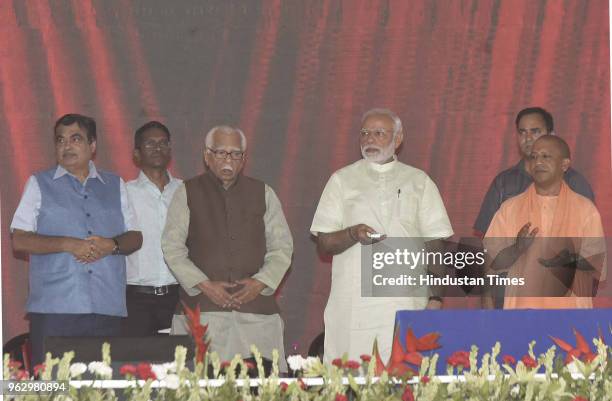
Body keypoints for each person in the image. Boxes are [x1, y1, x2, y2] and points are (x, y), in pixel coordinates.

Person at [310, 108, 453, 363]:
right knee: (352, 379)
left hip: (406, 302)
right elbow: (324, 243)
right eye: (364, 133)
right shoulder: (342, 180)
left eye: (378, 133)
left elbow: (436, 244)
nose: (369, 139)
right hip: (354, 304)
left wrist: (435, 297)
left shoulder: (419, 181)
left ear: (398, 139)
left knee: (403, 380)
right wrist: (352, 233)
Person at [10, 113, 142, 365]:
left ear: (93, 146)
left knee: (103, 389)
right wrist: (68, 244)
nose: (66, 146)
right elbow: (20, 240)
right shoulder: (39, 184)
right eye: (60, 140)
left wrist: (111, 245)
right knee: (54, 389)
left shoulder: (116, 185)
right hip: (54, 312)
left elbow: (135, 237)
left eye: (75, 139)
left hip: (107, 309)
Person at [161, 125, 293, 370]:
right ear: (207, 156)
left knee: (261, 390)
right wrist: (205, 285)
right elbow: (172, 247)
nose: (228, 159)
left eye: (235, 153)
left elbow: (282, 248)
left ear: (244, 159)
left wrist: (259, 283)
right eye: (221, 152)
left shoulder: (263, 193)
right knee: (199, 390)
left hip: (257, 316)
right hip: (203, 313)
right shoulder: (186, 192)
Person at [484, 135, 605, 309]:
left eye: (545, 156)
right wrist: (516, 249)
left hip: (570, 316)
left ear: (564, 165)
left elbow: (596, 270)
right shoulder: (509, 209)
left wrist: (568, 261)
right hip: (522, 313)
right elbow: (491, 264)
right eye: (533, 157)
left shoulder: (586, 210)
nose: (538, 162)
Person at [474, 107, 594, 236]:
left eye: (535, 131)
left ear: (551, 135)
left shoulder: (574, 182)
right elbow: (489, 239)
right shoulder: (503, 183)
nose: (528, 138)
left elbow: (589, 238)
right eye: (522, 132)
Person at [121, 121, 182, 336]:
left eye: (163, 143)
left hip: (178, 298)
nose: (158, 148)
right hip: (136, 299)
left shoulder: (186, 192)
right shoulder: (124, 193)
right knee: (136, 366)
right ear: (136, 154)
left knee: (180, 366)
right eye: (150, 144)